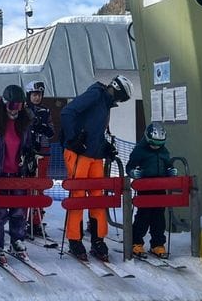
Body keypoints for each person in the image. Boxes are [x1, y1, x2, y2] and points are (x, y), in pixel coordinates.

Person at [59, 74, 133, 261]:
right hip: (79, 153)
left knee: (98, 197)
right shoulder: (95, 95)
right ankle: (74, 239)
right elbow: (67, 112)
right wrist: (73, 139)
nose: (119, 101)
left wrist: (105, 147)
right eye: (121, 98)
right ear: (116, 90)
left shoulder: (105, 103)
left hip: (95, 155)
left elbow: (95, 130)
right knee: (78, 195)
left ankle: (98, 239)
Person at [0, 85, 35, 265]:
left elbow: (27, 144)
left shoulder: (24, 122)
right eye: (12, 106)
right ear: (4, 104)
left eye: (19, 106)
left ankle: (17, 239)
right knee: (0, 212)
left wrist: (29, 155)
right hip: (0, 172)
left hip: (17, 173)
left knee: (18, 210)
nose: (15, 110)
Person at [127, 123, 177, 259]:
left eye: (159, 144)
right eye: (153, 144)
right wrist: (133, 172)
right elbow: (130, 166)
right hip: (145, 187)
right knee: (144, 215)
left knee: (159, 216)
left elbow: (167, 164)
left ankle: (157, 243)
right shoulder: (140, 150)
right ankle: (136, 242)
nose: (156, 147)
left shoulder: (164, 151)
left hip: (160, 187)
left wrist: (170, 171)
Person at [25, 81, 55, 236]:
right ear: (28, 95)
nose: (37, 98)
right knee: (26, 187)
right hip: (27, 152)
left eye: (39, 95)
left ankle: (36, 220)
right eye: (34, 95)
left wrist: (44, 128)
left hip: (43, 152)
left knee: (40, 186)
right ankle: (23, 220)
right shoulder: (23, 110)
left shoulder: (45, 111)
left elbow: (51, 131)